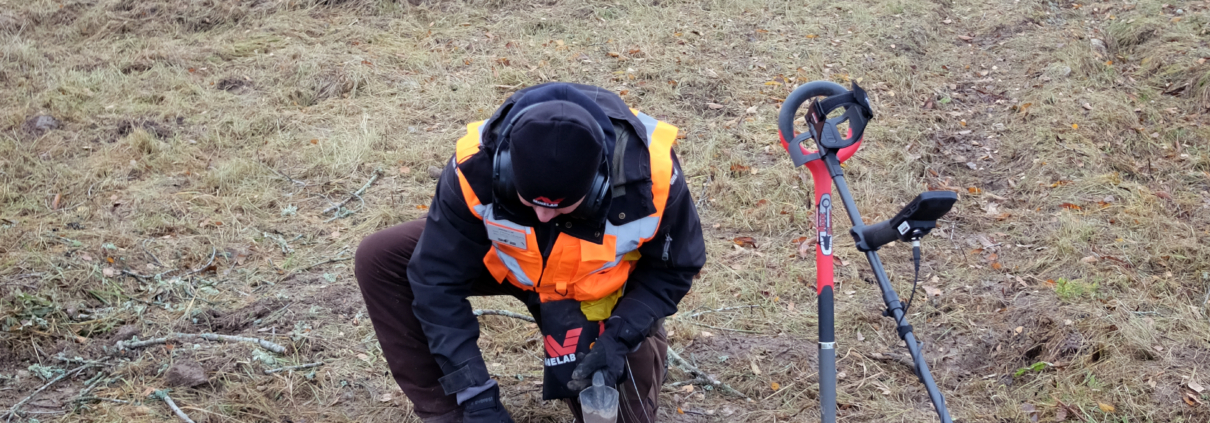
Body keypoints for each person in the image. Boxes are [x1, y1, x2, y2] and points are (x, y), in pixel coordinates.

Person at [354, 82, 706, 422]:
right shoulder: (476, 165)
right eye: (531, 203)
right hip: (505, 261)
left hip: (591, 291)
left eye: (561, 208)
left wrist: (621, 336)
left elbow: (674, 267)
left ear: (600, 184)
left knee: (616, 417)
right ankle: (453, 415)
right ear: (507, 168)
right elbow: (435, 279)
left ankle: (631, 354)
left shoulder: (651, 176)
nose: (543, 216)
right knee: (381, 257)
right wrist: (474, 394)